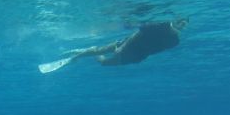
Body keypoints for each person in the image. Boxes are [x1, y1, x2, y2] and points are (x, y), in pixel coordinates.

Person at [38, 18, 188, 74]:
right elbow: (139, 33)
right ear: (175, 19)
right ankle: (80, 54)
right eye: (181, 21)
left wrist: (137, 56)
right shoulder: (160, 26)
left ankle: (84, 52)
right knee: (101, 54)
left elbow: (155, 49)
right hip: (128, 47)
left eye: (185, 23)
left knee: (103, 61)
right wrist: (123, 47)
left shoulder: (175, 41)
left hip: (135, 55)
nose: (182, 24)